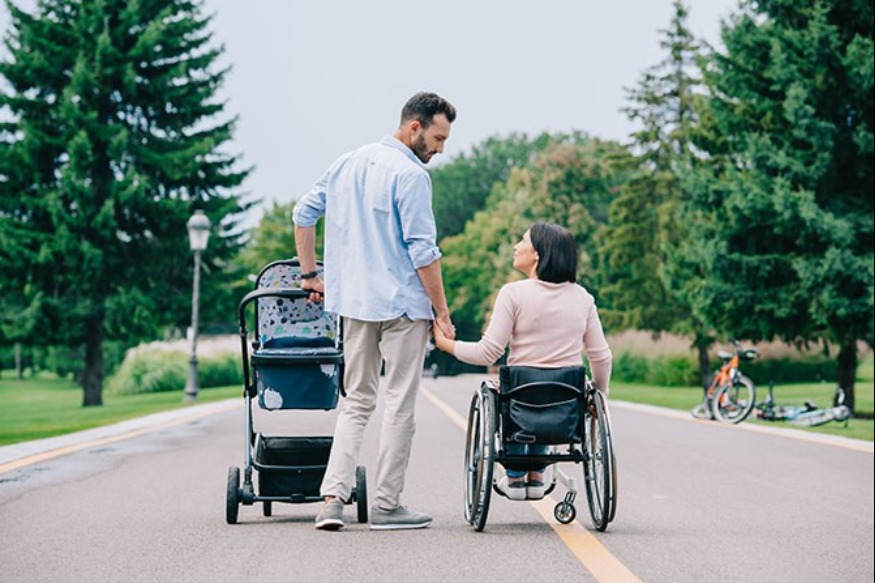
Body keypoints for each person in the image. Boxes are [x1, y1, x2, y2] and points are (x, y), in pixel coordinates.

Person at [293, 92, 457, 531]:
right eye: (438, 138)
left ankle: (332, 500)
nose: (441, 149)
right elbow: (423, 252)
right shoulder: (412, 176)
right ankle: (386, 506)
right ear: (415, 127)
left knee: (357, 402)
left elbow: (302, 214)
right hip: (403, 305)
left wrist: (310, 276)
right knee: (399, 403)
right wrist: (442, 312)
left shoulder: (347, 163)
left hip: (355, 303)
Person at [433, 220, 612, 500]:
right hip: (566, 395)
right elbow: (601, 356)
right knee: (550, 395)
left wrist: (445, 345)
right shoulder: (583, 298)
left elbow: (488, 353)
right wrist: (600, 394)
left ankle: (516, 477)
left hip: (521, 395)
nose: (516, 246)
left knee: (516, 395)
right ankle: (537, 476)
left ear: (537, 254)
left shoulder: (513, 293)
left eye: (523, 241)